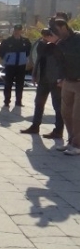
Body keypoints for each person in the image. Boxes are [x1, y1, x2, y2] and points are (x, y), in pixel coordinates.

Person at [20, 28, 64, 138]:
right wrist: (34, 74)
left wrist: (61, 78)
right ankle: (35, 126)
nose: (45, 38)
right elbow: (38, 59)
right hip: (43, 78)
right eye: (44, 36)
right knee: (38, 102)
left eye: (47, 36)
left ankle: (58, 130)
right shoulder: (41, 45)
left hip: (55, 79)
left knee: (57, 105)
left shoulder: (60, 45)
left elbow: (63, 64)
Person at [50, 17, 80, 155]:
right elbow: (59, 62)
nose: (55, 35)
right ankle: (71, 141)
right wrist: (60, 78)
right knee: (66, 113)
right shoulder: (60, 44)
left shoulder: (78, 39)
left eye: (56, 31)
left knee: (77, 115)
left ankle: (77, 145)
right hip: (67, 81)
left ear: (63, 27)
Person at [0, 24, 32, 107]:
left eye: (19, 30)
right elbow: (1, 52)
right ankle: (7, 101)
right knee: (8, 83)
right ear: (13, 31)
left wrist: (23, 58)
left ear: (21, 31)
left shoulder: (26, 41)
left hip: (21, 66)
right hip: (10, 66)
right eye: (16, 30)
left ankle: (18, 101)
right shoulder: (7, 41)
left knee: (20, 84)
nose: (17, 32)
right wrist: (7, 59)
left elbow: (28, 52)